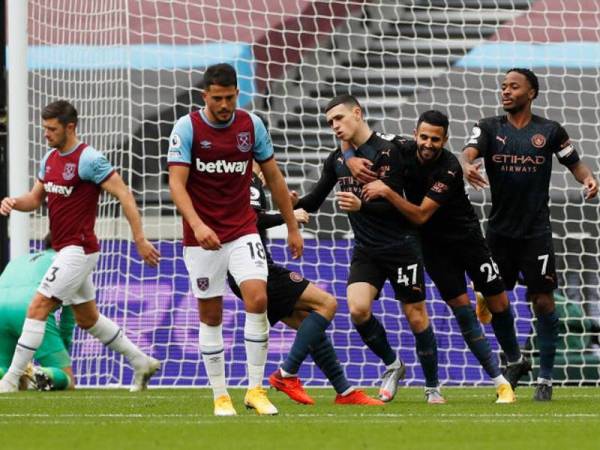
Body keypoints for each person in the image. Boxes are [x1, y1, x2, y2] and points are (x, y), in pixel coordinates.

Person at [347, 110, 525, 403]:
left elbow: (419, 216)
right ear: (415, 134)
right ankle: (501, 382)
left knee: (499, 301)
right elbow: (357, 135)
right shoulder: (399, 148)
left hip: (467, 241)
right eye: (425, 137)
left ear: (445, 140)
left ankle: (515, 357)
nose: (429, 144)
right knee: (462, 311)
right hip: (433, 248)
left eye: (436, 139)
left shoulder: (450, 168)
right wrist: (350, 158)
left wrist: (387, 192)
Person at [167, 63, 303, 416]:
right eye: (217, 99)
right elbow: (177, 185)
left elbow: (273, 178)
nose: (224, 105)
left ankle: (255, 390)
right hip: (202, 237)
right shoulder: (188, 128)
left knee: (257, 297)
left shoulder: (251, 125)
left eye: (229, 98)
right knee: (210, 315)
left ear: (237, 94)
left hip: (243, 228)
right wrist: (197, 225)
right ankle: (220, 395)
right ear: (205, 96)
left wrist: (291, 226)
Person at [0, 100, 161, 395]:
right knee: (88, 318)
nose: (46, 134)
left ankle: (9, 381)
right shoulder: (49, 158)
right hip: (64, 250)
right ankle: (142, 361)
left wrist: (140, 238)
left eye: (52, 129)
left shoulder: (89, 159)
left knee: (38, 306)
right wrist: (13, 202)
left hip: (80, 248)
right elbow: (35, 199)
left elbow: (124, 194)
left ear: (70, 127)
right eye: (44, 128)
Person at [291, 94, 444, 404]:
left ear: (357, 114)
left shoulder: (387, 152)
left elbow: (396, 208)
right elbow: (315, 201)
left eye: (339, 119)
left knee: (416, 317)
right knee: (358, 309)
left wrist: (361, 206)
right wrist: (292, 204)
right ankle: (393, 365)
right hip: (366, 249)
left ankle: (432, 387)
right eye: (330, 122)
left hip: (400, 245)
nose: (334, 126)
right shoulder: (337, 159)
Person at [462, 68, 599, 401]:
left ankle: (547, 379)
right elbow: (468, 152)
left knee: (543, 301)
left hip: (535, 233)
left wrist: (588, 178)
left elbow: (574, 162)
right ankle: (516, 359)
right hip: (498, 233)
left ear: (531, 92)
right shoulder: (489, 127)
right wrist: (465, 163)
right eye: (503, 86)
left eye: (513, 87)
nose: (505, 91)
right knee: (496, 302)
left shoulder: (549, 131)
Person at [227, 163, 383, 406]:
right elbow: (251, 220)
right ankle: (285, 375)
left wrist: (288, 207)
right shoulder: (249, 178)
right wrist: (289, 216)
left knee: (308, 326)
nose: (272, 164)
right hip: (256, 269)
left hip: (241, 272)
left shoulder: (240, 180)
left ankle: (345, 391)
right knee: (327, 304)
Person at [0, 234, 75, 391]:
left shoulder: (19, 260)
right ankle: (35, 373)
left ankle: (8, 372)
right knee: (66, 379)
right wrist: (62, 349)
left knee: (4, 370)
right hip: (29, 306)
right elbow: (69, 314)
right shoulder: (70, 262)